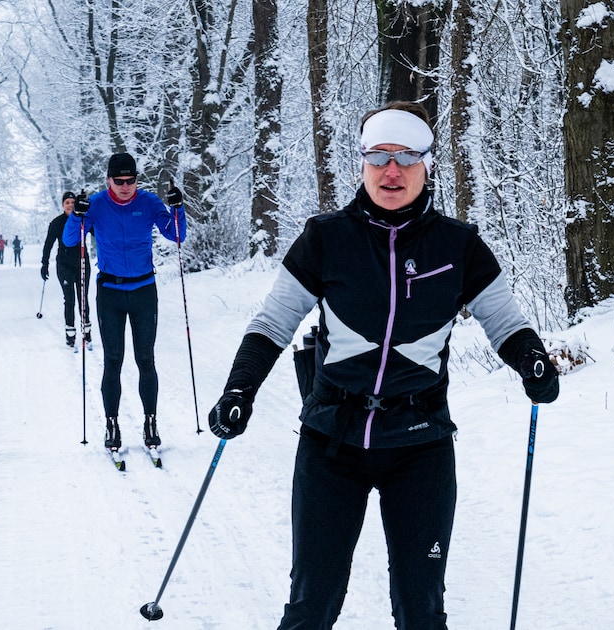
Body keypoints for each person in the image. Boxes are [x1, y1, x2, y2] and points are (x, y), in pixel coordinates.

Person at [205, 101, 560, 629]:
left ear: (427, 165)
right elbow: (272, 323)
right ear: (362, 164)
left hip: (420, 445)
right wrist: (239, 391)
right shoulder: (325, 239)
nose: (391, 170)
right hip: (332, 442)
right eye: (378, 157)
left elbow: (504, 322)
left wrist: (532, 361)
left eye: (406, 157)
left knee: (421, 609)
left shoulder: (458, 245)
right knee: (312, 605)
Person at [63, 152, 186, 451]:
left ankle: (150, 422)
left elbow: (177, 235)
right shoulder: (96, 205)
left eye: (131, 180)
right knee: (113, 360)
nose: (125, 186)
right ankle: (112, 424)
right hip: (110, 292)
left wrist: (178, 208)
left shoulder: (148, 204)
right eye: (119, 181)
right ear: (108, 180)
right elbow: (70, 240)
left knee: (146, 359)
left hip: (144, 290)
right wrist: (77, 215)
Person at [42, 192, 93, 348]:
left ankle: (87, 332)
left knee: (83, 298)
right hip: (64, 265)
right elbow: (48, 243)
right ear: (63, 205)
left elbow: (99, 234)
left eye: (72, 202)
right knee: (69, 299)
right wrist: (44, 263)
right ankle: (70, 334)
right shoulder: (57, 222)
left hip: (82, 263)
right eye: (67, 203)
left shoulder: (83, 218)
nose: (70, 205)